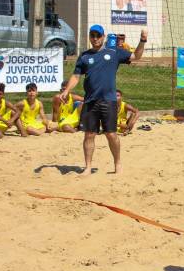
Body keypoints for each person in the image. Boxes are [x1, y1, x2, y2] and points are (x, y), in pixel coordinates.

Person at [59, 24, 147, 175]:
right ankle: (87, 167)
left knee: (111, 134)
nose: (95, 38)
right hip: (90, 101)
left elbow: (136, 56)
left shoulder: (114, 52)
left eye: (98, 35)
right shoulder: (85, 56)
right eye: (92, 35)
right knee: (89, 134)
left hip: (108, 100)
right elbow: (76, 76)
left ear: (103, 37)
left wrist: (143, 40)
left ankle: (117, 164)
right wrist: (67, 90)